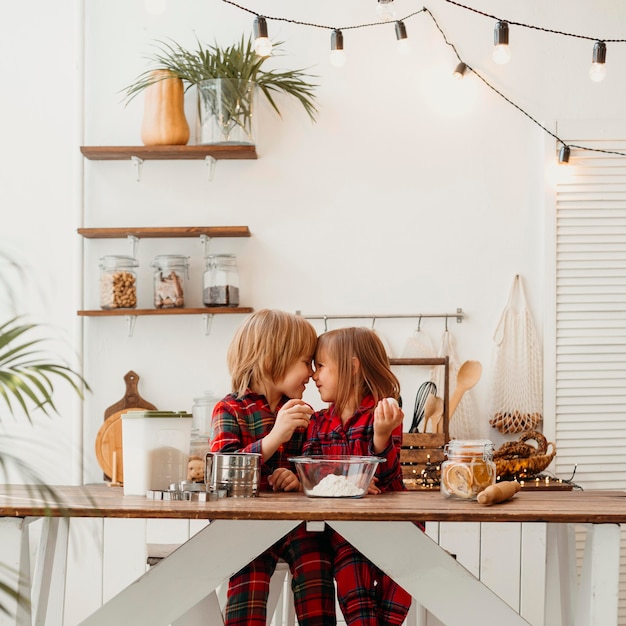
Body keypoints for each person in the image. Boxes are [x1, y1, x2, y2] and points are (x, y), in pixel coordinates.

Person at [210, 309, 337, 626]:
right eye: (304, 362)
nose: (310, 372)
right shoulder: (229, 409)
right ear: (272, 361)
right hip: (245, 527)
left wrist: (296, 477)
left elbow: (315, 461)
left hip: (295, 525)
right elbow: (222, 476)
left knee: (317, 563)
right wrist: (273, 438)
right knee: (247, 580)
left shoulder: (302, 413)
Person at [304, 326, 414, 626]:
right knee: (356, 597)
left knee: (405, 579)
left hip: (395, 527)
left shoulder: (384, 414)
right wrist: (347, 476)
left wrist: (381, 436)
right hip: (346, 531)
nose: (314, 375)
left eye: (322, 366)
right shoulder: (317, 422)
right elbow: (311, 468)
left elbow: (389, 476)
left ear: (352, 367)